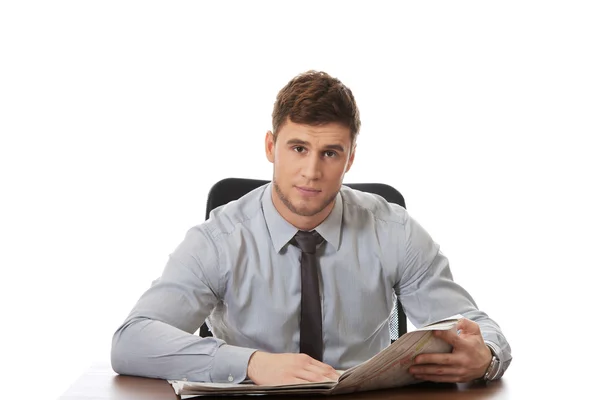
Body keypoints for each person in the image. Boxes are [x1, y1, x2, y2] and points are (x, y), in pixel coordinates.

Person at [111, 70, 512, 385]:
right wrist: (252, 364)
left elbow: (476, 326)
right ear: (271, 147)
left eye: (330, 153)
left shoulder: (394, 231)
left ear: (350, 158)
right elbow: (131, 341)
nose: (312, 171)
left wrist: (485, 357)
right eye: (298, 148)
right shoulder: (218, 240)